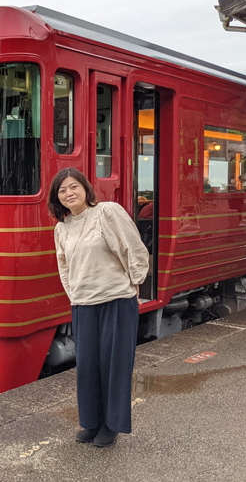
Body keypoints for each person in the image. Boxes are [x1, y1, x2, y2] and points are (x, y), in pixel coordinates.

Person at [47, 167, 149, 448]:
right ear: (58, 198)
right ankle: (91, 422)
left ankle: (111, 425)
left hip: (115, 300)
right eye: (62, 190)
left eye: (73, 187)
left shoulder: (106, 212)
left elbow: (132, 247)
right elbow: (64, 267)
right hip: (83, 305)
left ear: (85, 188)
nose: (69, 193)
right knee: (88, 367)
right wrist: (75, 295)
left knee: (113, 365)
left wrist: (136, 280)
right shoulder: (62, 228)